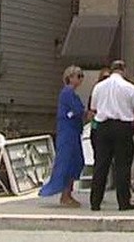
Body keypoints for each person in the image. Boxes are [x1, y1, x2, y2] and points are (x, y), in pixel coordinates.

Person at [89, 60, 134, 211]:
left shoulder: (99, 87)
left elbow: (93, 107)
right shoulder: (129, 87)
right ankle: (123, 202)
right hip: (122, 126)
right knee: (122, 166)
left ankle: (95, 202)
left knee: (101, 165)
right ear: (124, 70)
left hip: (102, 126)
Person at [39, 65, 87, 207]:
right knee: (67, 162)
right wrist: (83, 114)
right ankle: (64, 194)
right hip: (67, 132)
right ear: (70, 77)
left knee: (75, 162)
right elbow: (77, 110)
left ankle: (68, 193)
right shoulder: (67, 93)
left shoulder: (73, 94)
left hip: (73, 131)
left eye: (81, 76)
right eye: (78, 76)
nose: (80, 79)